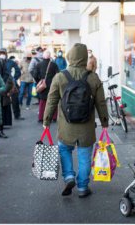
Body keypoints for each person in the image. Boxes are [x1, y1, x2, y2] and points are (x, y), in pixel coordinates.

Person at [43, 43, 109, 197]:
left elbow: (51, 101)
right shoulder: (93, 77)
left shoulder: (60, 77)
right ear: (85, 58)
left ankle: (69, 176)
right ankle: (82, 187)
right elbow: (101, 103)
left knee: (64, 150)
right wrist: (104, 122)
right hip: (86, 128)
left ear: (69, 57)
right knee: (84, 156)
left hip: (66, 127)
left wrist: (46, 122)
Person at [33, 50, 59, 122]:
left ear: (43, 57)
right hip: (52, 85)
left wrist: (39, 81)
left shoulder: (39, 64)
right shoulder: (54, 65)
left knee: (42, 102)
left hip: (43, 86)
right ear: (49, 57)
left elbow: (35, 75)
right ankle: (54, 117)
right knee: (53, 101)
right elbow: (58, 75)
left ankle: (41, 117)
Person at [9, 55, 25, 120]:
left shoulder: (12, 63)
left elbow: (18, 72)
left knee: (15, 100)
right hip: (3, 83)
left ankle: (17, 115)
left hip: (12, 84)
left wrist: (14, 78)